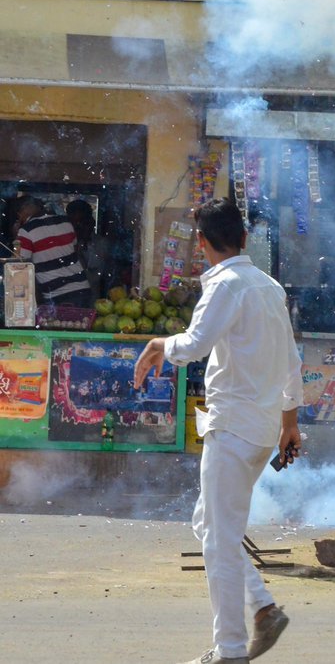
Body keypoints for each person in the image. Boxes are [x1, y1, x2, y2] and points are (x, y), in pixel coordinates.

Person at [134, 197, 302, 664]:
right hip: (261, 428)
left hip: (233, 426)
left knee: (219, 541)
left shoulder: (226, 285)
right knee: (210, 525)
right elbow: (293, 362)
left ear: (202, 244)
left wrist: (157, 343)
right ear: (245, 238)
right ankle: (263, 609)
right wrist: (290, 423)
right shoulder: (269, 287)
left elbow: (194, 345)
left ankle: (230, 649)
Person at [14, 195, 92, 308]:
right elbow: (74, 251)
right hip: (82, 288)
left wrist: (16, 238)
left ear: (28, 207)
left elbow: (19, 265)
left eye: (19, 211)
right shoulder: (66, 222)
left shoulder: (26, 231)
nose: (19, 216)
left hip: (58, 295)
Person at [65, 198, 113, 297]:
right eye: (74, 222)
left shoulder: (100, 244)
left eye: (82, 222)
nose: (78, 226)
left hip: (91, 297)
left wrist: (84, 244)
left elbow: (96, 274)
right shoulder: (63, 244)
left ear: (91, 222)